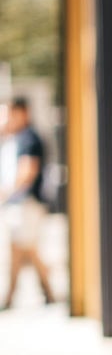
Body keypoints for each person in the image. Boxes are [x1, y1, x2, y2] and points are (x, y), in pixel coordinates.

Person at [0, 97, 54, 308]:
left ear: (22, 113)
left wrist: (5, 193)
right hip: (19, 203)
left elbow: (27, 171)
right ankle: (40, 291)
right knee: (22, 248)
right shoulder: (16, 138)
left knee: (26, 248)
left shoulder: (28, 139)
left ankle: (14, 296)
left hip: (26, 203)